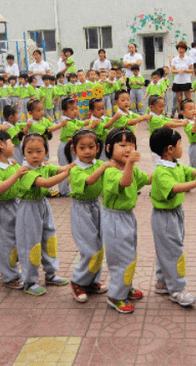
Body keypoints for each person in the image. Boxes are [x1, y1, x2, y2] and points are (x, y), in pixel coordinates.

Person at [149, 127, 196, 306]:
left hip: (175, 213)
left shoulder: (175, 164)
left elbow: (189, 171)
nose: (183, 147)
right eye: (180, 144)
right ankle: (177, 289)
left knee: (167, 249)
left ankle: (163, 282)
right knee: (174, 252)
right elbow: (173, 187)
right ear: (170, 149)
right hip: (164, 216)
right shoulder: (161, 171)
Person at [16, 134, 72, 296]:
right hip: (28, 209)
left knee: (49, 239)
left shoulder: (43, 166)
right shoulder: (25, 171)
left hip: (42, 205)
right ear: (24, 153)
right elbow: (46, 183)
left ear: (46, 152)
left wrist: (72, 165)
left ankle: (51, 273)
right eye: (30, 152)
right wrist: (68, 172)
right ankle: (29, 281)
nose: (34, 155)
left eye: (39, 151)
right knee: (31, 244)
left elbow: (59, 169)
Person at [102, 128, 151, 313]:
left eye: (131, 145)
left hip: (127, 217)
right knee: (119, 257)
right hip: (114, 219)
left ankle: (125, 285)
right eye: (122, 145)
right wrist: (130, 164)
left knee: (129, 254)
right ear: (109, 148)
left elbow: (146, 179)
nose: (128, 149)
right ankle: (116, 295)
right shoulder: (111, 171)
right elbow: (125, 182)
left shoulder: (129, 168)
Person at [65, 129, 111, 302]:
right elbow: (90, 180)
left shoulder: (98, 164)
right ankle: (78, 281)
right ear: (74, 150)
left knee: (99, 247)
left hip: (97, 207)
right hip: (81, 210)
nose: (87, 151)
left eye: (91, 147)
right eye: (82, 147)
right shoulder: (75, 169)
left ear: (98, 147)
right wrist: (105, 166)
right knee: (89, 248)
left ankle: (92, 281)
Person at [0, 129, 28, 290]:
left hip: (13, 204)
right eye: (10, 142)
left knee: (16, 239)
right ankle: (10, 277)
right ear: (1, 144)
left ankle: (15, 270)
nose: (14, 145)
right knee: (4, 243)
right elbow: (0, 188)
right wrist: (16, 175)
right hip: (0, 209)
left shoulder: (10, 164)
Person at [170, 42, 194, 114]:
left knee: (188, 99)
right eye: (179, 48)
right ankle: (181, 113)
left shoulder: (189, 59)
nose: (181, 50)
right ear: (177, 50)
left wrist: (185, 70)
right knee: (179, 99)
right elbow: (172, 70)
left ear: (185, 50)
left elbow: (192, 70)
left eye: (182, 48)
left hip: (186, 81)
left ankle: (189, 112)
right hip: (177, 82)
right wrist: (177, 71)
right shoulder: (174, 59)